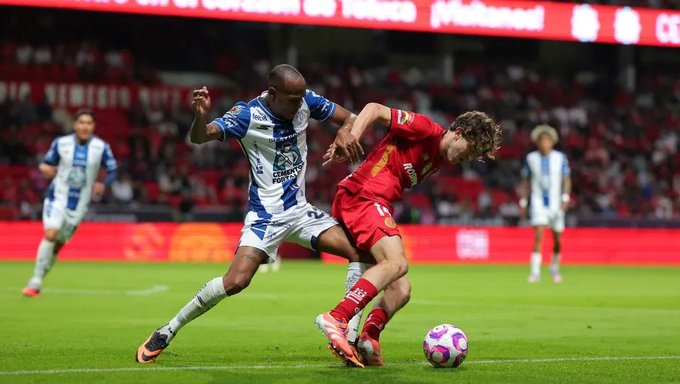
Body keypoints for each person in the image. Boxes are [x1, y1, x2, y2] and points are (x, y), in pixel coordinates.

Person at [135, 64, 370, 363]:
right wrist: (200, 116)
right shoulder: (246, 115)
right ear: (273, 93)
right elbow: (201, 137)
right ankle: (167, 330)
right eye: (292, 99)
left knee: (361, 254)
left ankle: (347, 335)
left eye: (301, 98)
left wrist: (344, 132)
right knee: (235, 282)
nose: (300, 105)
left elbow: (352, 117)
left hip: (299, 211)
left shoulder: (306, 100)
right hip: (265, 218)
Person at [316, 102, 502, 367]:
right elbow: (374, 109)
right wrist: (352, 137)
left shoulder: (438, 158)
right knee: (397, 263)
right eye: (469, 151)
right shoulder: (426, 129)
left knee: (402, 288)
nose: (467, 159)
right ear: (459, 133)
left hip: (371, 202)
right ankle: (338, 317)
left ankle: (368, 338)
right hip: (363, 196)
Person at [22, 110, 118, 297]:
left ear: (93, 126)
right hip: (58, 197)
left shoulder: (101, 147)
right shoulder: (61, 143)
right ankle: (35, 281)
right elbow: (45, 163)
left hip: (80, 205)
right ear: (75, 124)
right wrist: (45, 169)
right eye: (81, 122)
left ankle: (39, 278)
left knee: (57, 245)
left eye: (89, 123)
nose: (85, 126)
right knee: (51, 234)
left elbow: (113, 170)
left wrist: (103, 183)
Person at [519, 124, 571, 283]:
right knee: (538, 235)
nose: (544, 143)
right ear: (537, 142)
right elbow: (526, 181)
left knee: (557, 240)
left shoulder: (560, 158)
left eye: (547, 140)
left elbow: (566, 179)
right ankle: (535, 272)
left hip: (556, 203)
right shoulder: (531, 158)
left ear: (552, 142)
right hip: (538, 202)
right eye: (542, 140)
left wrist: (565, 198)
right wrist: (523, 201)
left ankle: (554, 266)